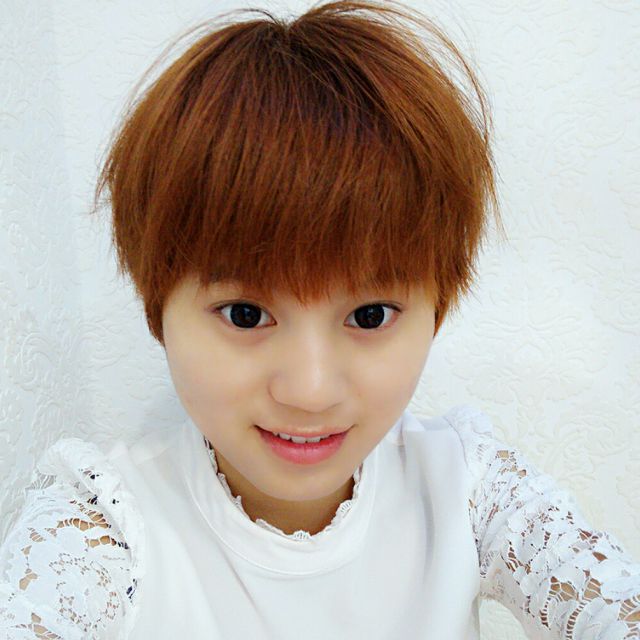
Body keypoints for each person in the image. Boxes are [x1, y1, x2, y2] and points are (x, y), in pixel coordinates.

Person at [1, 0, 639, 638]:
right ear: (157, 307)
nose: (310, 391)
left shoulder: (469, 489)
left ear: (438, 309)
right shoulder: (100, 523)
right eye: (246, 314)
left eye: (369, 314)